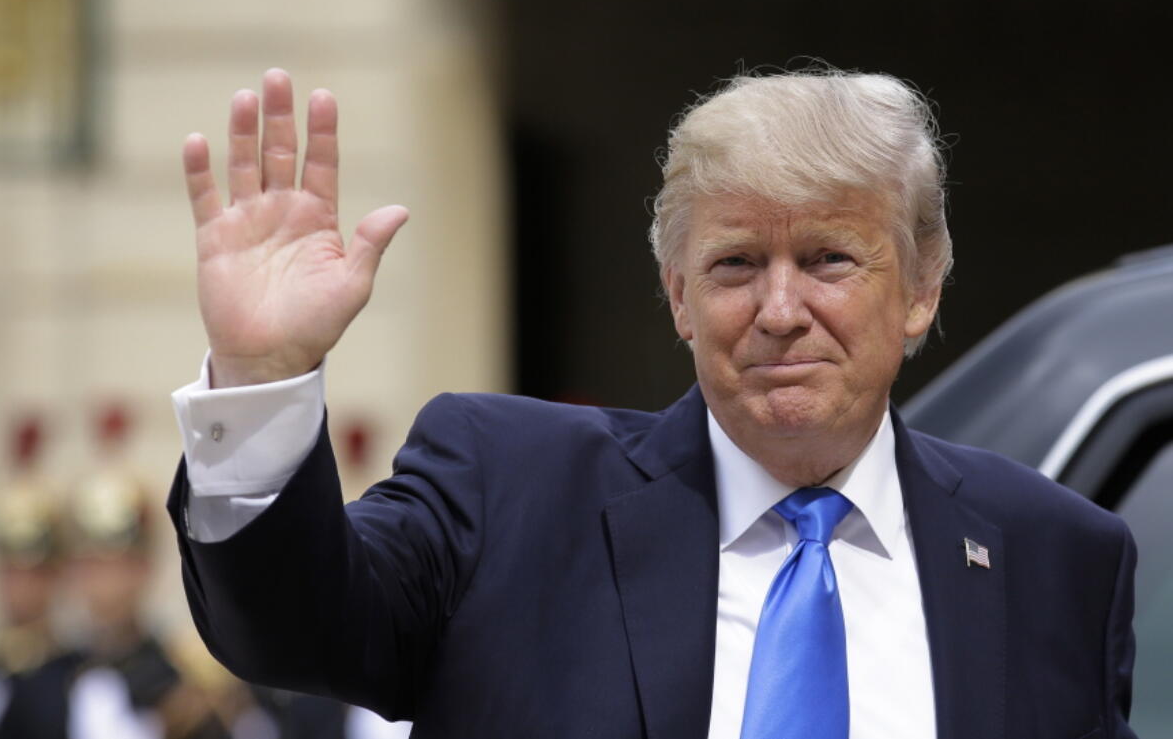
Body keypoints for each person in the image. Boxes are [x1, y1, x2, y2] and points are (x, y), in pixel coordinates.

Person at [167, 67, 1137, 738]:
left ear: (920, 286)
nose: (780, 309)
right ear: (677, 295)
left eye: (829, 259)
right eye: (734, 264)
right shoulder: (509, 488)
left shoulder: (1054, 557)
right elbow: (287, 626)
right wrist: (261, 377)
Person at [0, 475, 81, 739]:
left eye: (35, 573)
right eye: (10, 572)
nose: (21, 587)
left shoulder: (79, 678)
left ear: (58, 575)